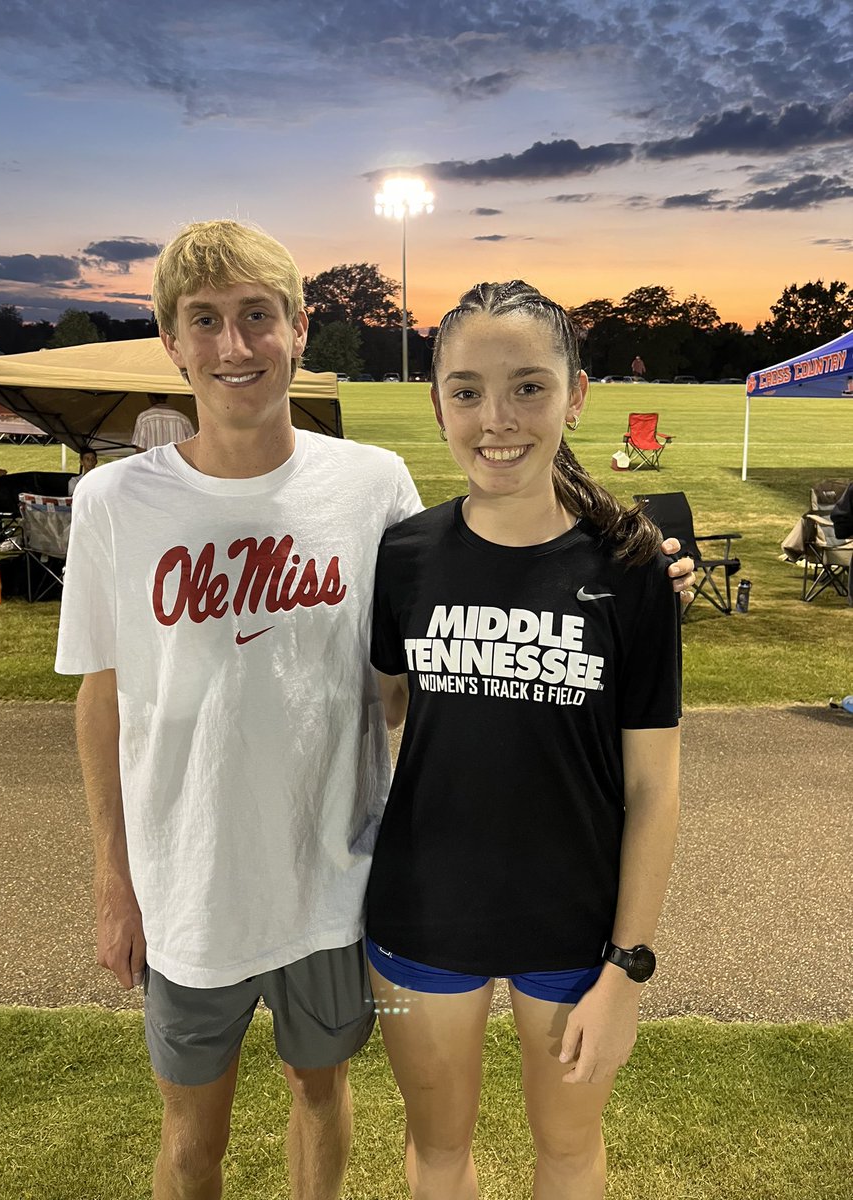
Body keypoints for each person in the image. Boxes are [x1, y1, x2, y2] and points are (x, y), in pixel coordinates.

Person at [54, 221, 694, 1200]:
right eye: (206, 321)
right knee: (230, 1139)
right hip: (274, 898)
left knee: (377, 1107)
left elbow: (466, 661)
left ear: (299, 330)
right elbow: (114, 696)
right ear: (173, 341)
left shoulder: (375, 492)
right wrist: (114, 875)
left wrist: (641, 575)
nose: (235, 347)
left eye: (257, 317)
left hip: (378, 896)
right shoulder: (132, 505)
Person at [366, 281, 682, 1200]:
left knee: (571, 1153)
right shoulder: (404, 555)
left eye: (528, 387)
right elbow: (383, 706)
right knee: (437, 1154)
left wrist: (627, 969)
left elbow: (655, 789)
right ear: (438, 404)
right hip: (422, 910)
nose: (495, 419)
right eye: (465, 391)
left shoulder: (633, 570)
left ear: (577, 394)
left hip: (576, 926)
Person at [131, 392, 196, 450]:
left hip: (154, 463)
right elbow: (193, 447)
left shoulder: (144, 418)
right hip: (177, 463)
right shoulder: (183, 419)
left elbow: (140, 449)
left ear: (150, 397)